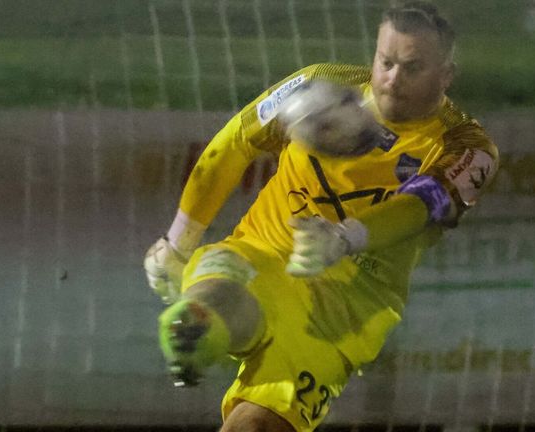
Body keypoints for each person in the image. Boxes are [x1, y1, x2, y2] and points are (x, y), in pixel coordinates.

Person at [144, 1, 499, 431]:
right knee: (209, 306)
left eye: (412, 67)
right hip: (258, 253)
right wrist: (179, 240)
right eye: (386, 61)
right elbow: (234, 143)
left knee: (253, 426)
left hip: (344, 306)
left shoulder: (467, 147)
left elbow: (419, 207)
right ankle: (196, 332)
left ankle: (198, 335)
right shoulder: (318, 87)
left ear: (446, 75)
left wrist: (345, 238)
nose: (392, 78)